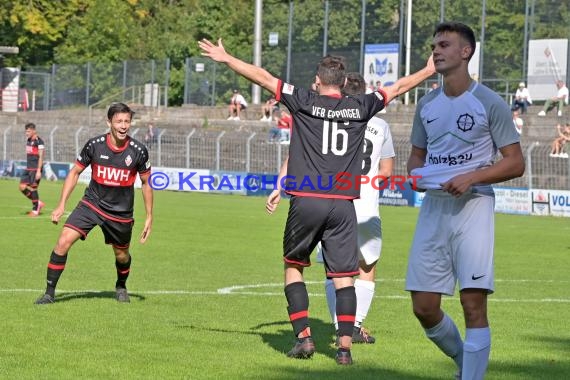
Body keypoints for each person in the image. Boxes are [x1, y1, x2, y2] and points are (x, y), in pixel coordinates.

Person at [198, 37, 435, 365]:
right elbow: (397, 88)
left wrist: (226, 58)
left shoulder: (303, 100)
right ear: (343, 83)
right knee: (343, 277)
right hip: (343, 204)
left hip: (307, 198)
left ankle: (304, 338)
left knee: (294, 267)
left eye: (315, 79)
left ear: (320, 81)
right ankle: (344, 349)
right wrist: (428, 69)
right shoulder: (361, 106)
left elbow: (262, 76)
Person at [406, 22, 525, 380]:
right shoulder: (426, 104)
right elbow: (416, 156)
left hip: (474, 206)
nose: (436, 51)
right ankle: (466, 365)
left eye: (444, 45)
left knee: (472, 304)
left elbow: (515, 162)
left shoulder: (489, 102)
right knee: (424, 307)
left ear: (465, 52)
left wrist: (471, 177)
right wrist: (416, 177)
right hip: (433, 209)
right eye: (434, 46)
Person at [34, 102, 153, 305]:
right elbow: (75, 172)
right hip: (92, 204)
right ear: (109, 122)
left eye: (127, 121)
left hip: (120, 212)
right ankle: (49, 293)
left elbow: (146, 182)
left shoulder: (138, 151)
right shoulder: (94, 145)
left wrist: (149, 216)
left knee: (122, 255)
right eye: (119, 122)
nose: (123, 126)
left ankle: (121, 285)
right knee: (63, 242)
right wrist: (62, 204)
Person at [316, 72, 395, 345]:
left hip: (333, 201)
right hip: (366, 205)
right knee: (367, 265)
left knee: (333, 268)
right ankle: (356, 326)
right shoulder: (381, 125)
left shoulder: (330, 120)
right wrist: (367, 181)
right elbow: (386, 171)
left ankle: (340, 325)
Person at [19, 123, 45, 217]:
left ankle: (35, 210)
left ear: (34, 130)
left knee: (33, 188)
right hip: (28, 167)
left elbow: (41, 157)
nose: (26, 133)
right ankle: (38, 203)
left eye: (28, 131)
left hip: (35, 168)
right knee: (22, 187)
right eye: (26, 131)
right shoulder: (28, 140)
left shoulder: (39, 141)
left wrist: (38, 170)